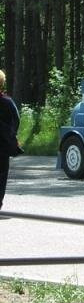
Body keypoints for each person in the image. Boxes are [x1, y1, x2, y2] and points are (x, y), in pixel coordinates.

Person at [0, 70, 21, 209]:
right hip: (3, 146)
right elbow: (16, 120)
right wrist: (11, 135)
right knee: (1, 176)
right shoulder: (8, 102)